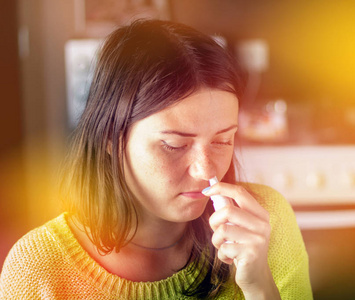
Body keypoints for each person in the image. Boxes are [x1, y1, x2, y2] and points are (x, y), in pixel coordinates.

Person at [0, 19, 312, 299]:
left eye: (222, 140)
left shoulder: (266, 224)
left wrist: (259, 287)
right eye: (174, 145)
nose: (206, 169)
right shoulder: (38, 269)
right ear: (110, 138)